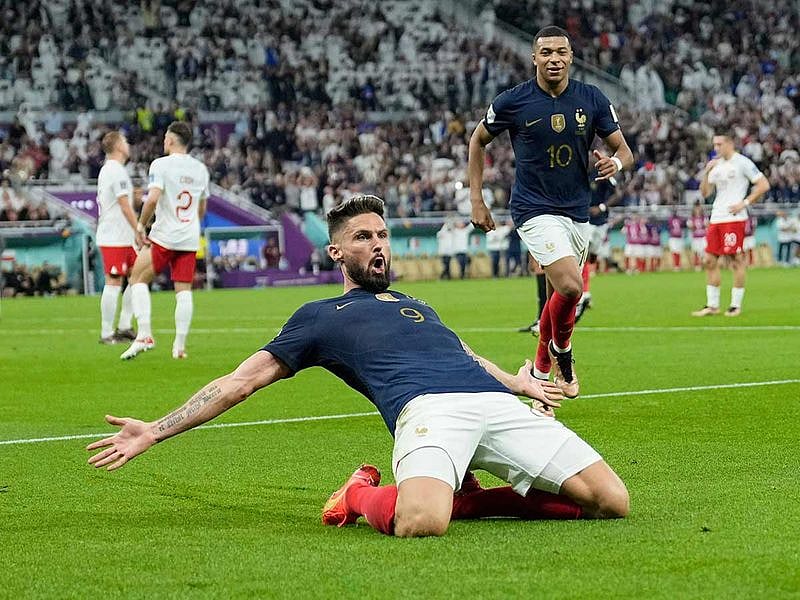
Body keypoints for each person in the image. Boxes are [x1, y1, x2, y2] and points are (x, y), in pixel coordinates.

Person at [87, 195, 629, 538]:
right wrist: (155, 431)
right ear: (336, 254)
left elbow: (462, 354)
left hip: (496, 404)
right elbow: (240, 381)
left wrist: (516, 382)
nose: (378, 246)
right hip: (427, 413)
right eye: (363, 237)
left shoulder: (417, 303)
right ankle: (357, 494)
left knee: (611, 502)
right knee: (421, 523)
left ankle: (465, 499)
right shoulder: (320, 317)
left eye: (382, 235)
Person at [468, 25, 634, 398]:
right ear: (534, 58)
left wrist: (615, 164)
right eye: (546, 53)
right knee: (571, 285)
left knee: (558, 295)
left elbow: (624, 150)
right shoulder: (514, 100)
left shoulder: (591, 98)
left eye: (561, 52)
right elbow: (478, 139)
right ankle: (564, 352)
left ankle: (541, 374)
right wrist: (477, 200)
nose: (554, 59)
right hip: (532, 208)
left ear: (571, 57)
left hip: (577, 211)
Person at [120, 121, 210, 359]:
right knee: (183, 290)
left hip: (165, 235)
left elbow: (152, 199)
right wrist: (191, 224)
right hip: (189, 236)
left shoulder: (160, 164)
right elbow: (201, 207)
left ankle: (145, 335)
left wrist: (140, 225)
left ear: (170, 140)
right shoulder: (200, 169)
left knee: (137, 277)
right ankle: (179, 347)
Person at [692, 134, 769, 317]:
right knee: (709, 260)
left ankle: (735, 305)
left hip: (734, 218)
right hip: (716, 217)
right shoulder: (716, 165)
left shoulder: (742, 162)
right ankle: (712, 305)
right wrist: (707, 172)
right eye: (714, 144)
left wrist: (745, 203)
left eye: (719, 144)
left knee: (736, 261)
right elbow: (705, 192)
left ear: (729, 143)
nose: (716, 148)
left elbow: (763, 184)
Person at [95, 131, 138, 344]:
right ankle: (106, 333)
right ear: (119, 145)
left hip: (124, 236)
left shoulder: (113, 170)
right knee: (113, 281)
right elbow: (123, 205)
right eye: (125, 140)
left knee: (137, 276)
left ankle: (124, 326)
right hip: (114, 236)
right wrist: (139, 228)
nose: (128, 144)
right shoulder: (114, 170)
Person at [687, 202, 708, 271]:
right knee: (696, 251)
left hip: (703, 237)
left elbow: (707, 225)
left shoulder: (704, 217)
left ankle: (703, 265)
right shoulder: (691, 218)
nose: (698, 210)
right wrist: (693, 226)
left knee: (703, 251)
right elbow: (690, 226)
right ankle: (697, 265)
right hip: (696, 237)